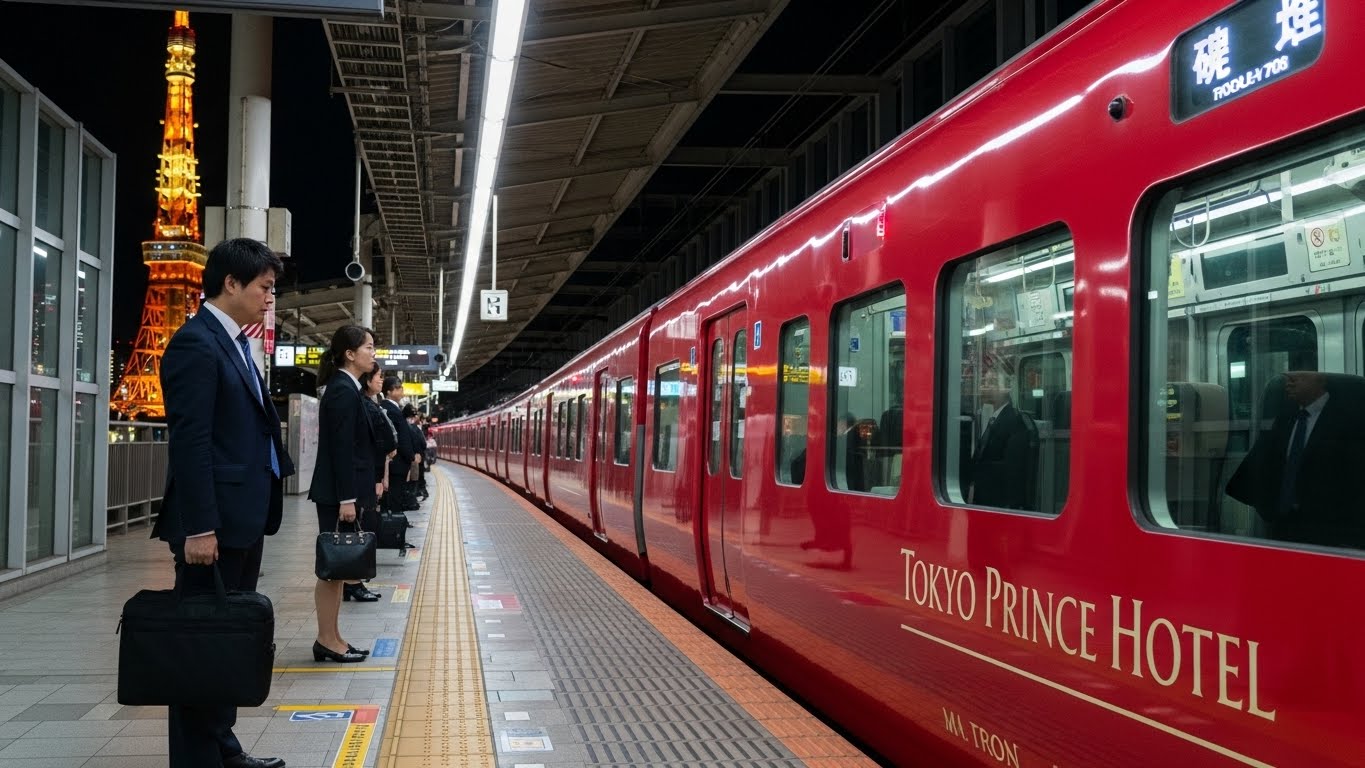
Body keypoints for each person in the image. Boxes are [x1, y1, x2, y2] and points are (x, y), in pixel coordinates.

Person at [154, 237, 294, 768]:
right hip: (215, 525)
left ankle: (222, 748)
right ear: (231, 283)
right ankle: (198, 758)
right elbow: (191, 442)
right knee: (200, 648)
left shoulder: (232, 342)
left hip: (242, 520)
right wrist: (200, 527)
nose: (269, 298)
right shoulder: (196, 343)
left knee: (225, 642)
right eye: (264, 287)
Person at [1227, 371, 1365, 548]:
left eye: (1300, 376)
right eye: (1287, 377)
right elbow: (1266, 464)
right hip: (1283, 527)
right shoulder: (1286, 415)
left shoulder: (1349, 420)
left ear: (1321, 380)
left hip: (1331, 532)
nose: (1289, 381)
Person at [306, 325, 378, 663]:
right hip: (337, 495)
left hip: (339, 493)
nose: (373, 353)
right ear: (350, 354)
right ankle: (326, 639)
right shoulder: (342, 391)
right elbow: (341, 450)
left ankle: (333, 637)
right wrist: (347, 499)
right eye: (369, 347)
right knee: (331, 569)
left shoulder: (346, 388)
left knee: (336, 570)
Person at [343, 362, 393, 602]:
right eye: (379, 376)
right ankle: (352, 581)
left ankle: (353, 580)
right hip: (363, 479)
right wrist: (377, 478)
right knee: (360, 529)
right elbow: (380, 442)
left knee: (361, 528)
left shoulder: (369, 404)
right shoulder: (362, 403)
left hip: (366, 477)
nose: (381, 380)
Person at [966, 380, 1035, 510]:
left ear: (1006, 389)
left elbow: (1014, 468)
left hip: (998, 500)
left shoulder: (1013, 420)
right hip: (987, 496)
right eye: (984, 383)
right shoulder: (996, 417)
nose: (984, 387)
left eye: (992, 383)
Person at [380, 376, 416, 510]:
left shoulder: (391, 408)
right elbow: (400, 438)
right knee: (394, 498)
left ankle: (393, 518)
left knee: (393, 498)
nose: (402, 391)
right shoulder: (390, 409)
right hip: (397, 463)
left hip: (397, 463)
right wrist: (410, 456)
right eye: (398, 388)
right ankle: (393, 520)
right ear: (388, 392)